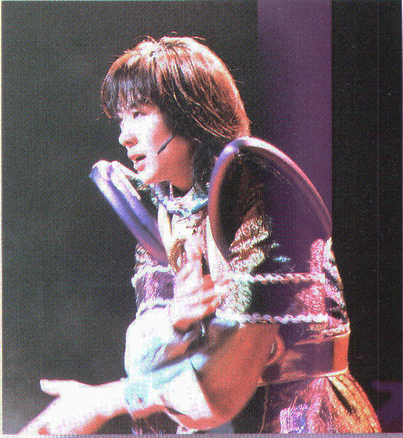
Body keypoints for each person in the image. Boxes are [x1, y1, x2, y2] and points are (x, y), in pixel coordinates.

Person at [20, 36, 381, 434]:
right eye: (121, 119)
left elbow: (223, 386)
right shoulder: (169, 210)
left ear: (189, 114)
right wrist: (175, 321)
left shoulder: (260, 191)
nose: (124, 136)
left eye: (139, 113)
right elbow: (144, 366)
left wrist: (101, 403)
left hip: (303, 416)